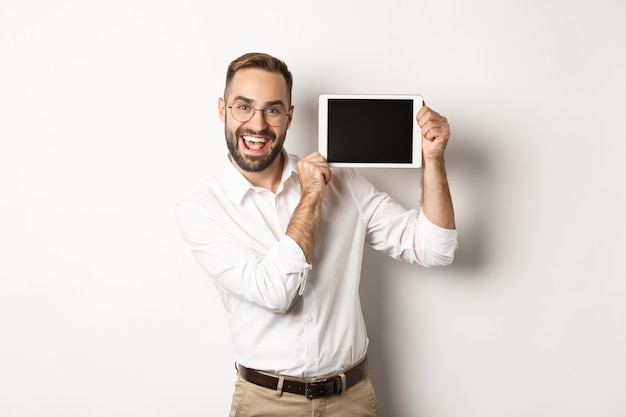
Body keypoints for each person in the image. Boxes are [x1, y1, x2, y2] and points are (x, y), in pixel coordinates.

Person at [176, 52, 458, 417]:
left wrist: (433, 160)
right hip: (266, 404)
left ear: (290, 116)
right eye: (243, 107)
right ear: (222, 109)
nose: (257, 125)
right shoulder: (201, 210)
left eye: (273, 110)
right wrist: (311, 198)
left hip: (351, 400)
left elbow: (434, 249)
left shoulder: (345, 183)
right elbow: (275, 292)